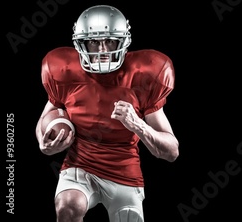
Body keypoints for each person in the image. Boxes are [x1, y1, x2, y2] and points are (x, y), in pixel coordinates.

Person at [35, 5, 179, 222]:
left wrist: (138, 124)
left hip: (124, 170)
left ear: (123, 42)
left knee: (128, 218)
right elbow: (46, 117)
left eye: (110, 41)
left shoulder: (143, 76)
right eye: (94, 42)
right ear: (81, 44)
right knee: (68, 207)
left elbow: (171, 152)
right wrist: (42, 143)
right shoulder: (64, 71)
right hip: (80, 165)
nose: (102, 50)